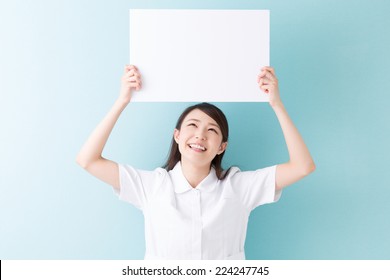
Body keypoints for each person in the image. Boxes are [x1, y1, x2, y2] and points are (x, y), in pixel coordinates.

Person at [76, 65, 315, 260]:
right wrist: (122, 101)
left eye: (212, 129)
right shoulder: (151, 185)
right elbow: (88, 160)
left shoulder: (239, 186)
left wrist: (277, 104)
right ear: (177, 136)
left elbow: (302, 166)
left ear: (222, 146)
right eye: (192, 125)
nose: (200, 135)